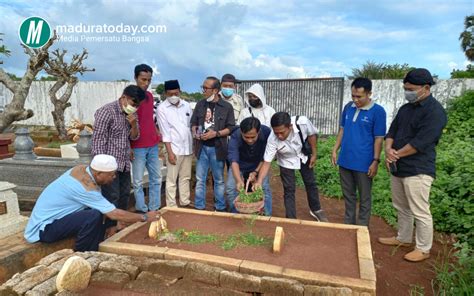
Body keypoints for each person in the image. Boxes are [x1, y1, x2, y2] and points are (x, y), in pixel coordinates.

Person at [378, 68, 447, 262]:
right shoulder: (405, 109)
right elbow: (391, 131)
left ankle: (423, 248)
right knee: (401, 206)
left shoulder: (435, 112)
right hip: (399, 167)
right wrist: (388, 149)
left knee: (420, 210)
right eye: (405, 88)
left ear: (426, 88)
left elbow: (422, 142)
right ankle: (404, 238)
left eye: (410, 88)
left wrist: (395, 154)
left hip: (419, 169)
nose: (407, 91)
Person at [24, 155, 160, 251]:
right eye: (111, 175)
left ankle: (102, 237)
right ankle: (84, 253)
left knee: (99, 211)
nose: (114, 178)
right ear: (99, 174)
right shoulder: (85, 188)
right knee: (93, 215)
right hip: (43, 230)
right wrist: (145, 217)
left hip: (57, 219)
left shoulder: (83, 170)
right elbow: (113, 213)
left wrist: (113, 224)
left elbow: (107, 209)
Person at [331, 77, 386, 226]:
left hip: (364, 163)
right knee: (348, 196)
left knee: (364, 198)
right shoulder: (348, 107)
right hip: (345, 161)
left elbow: (379, 139)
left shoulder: (378, 111)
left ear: (369, 94)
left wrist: (375, 161)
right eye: (353, 95)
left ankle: (362, 228)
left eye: (359, 96)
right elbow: (342, 130)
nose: (355, 99)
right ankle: (349, 225)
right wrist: (335, 149)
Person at [253, 112, 328, 221]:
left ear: (290, 127)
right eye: (276, 132)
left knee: (310, 183)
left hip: (303, 155)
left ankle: (316, 209)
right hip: (286, 160)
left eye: (282, 132)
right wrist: (259, 181)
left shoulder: (302, 122)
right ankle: (291, 218)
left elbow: (311, 135)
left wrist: (314, 154)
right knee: (289, 189)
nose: (279, 136)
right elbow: (267, 162)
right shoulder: (272, 139)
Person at [92, 85, 146, 215]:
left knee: (125, 194)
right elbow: (98, 140)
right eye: (134, 103)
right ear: (123, 98)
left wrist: (133, 125)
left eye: (138, 105)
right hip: (109, 166)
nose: (135, 107)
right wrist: (102, 168)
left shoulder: (132, 114)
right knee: (111, 196)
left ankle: (120, 222)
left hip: (124, 163)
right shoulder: (106, 112)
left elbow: (134, 136)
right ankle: (109, 227)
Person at [191, 76, 235, 211]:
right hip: (201, 147)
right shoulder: (200, 104)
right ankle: (199, 206)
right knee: (200, 179)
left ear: (215, 90)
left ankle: (220, 207)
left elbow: (231, 128)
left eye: (206, 88)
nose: (203, 90)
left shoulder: (227, 107)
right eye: (202, 87)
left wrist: (215, 133)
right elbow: (193, 123)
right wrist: (195, 132)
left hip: (217, 148)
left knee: (219, 180)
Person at [130, 64, 162, 213]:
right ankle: (142, 209)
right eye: (143, 79)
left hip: (152, 144)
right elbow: (126, 124)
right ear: (136, 78)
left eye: (149, 80)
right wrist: (128, 146)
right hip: (137, 146)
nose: (146, 83)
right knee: (137, 181)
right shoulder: (129, 98)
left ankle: (154, 208)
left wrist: (156, 134)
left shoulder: (149, 96)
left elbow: (150, 118)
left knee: (156, 178)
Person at [156, 80, 193, 208]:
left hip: (187, 148)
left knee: (185, 177)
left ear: (180, 92)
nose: (173, 96)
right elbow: (165, 133)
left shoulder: (186, 106)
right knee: (172, 179)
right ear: (166, 94)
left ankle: (185, 202)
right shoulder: (162, 109)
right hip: (174, 149)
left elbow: (190, 126)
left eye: (176, 93)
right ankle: (171, 206)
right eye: (170, 94)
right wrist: (170, 153)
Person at [226, 117, 272, 215]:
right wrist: (238, 180)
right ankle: (235, 215)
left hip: (259, 163)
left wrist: (256, 172)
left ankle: (267, 216)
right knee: (231, 188)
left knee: (263, 188)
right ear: (241, 132)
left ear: (258, 132)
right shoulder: (235, 135)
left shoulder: (267, 133)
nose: (250, 140)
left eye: (253, 137)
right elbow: (234, 161)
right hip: (240, 164)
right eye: (246, 137)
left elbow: (266, 158)